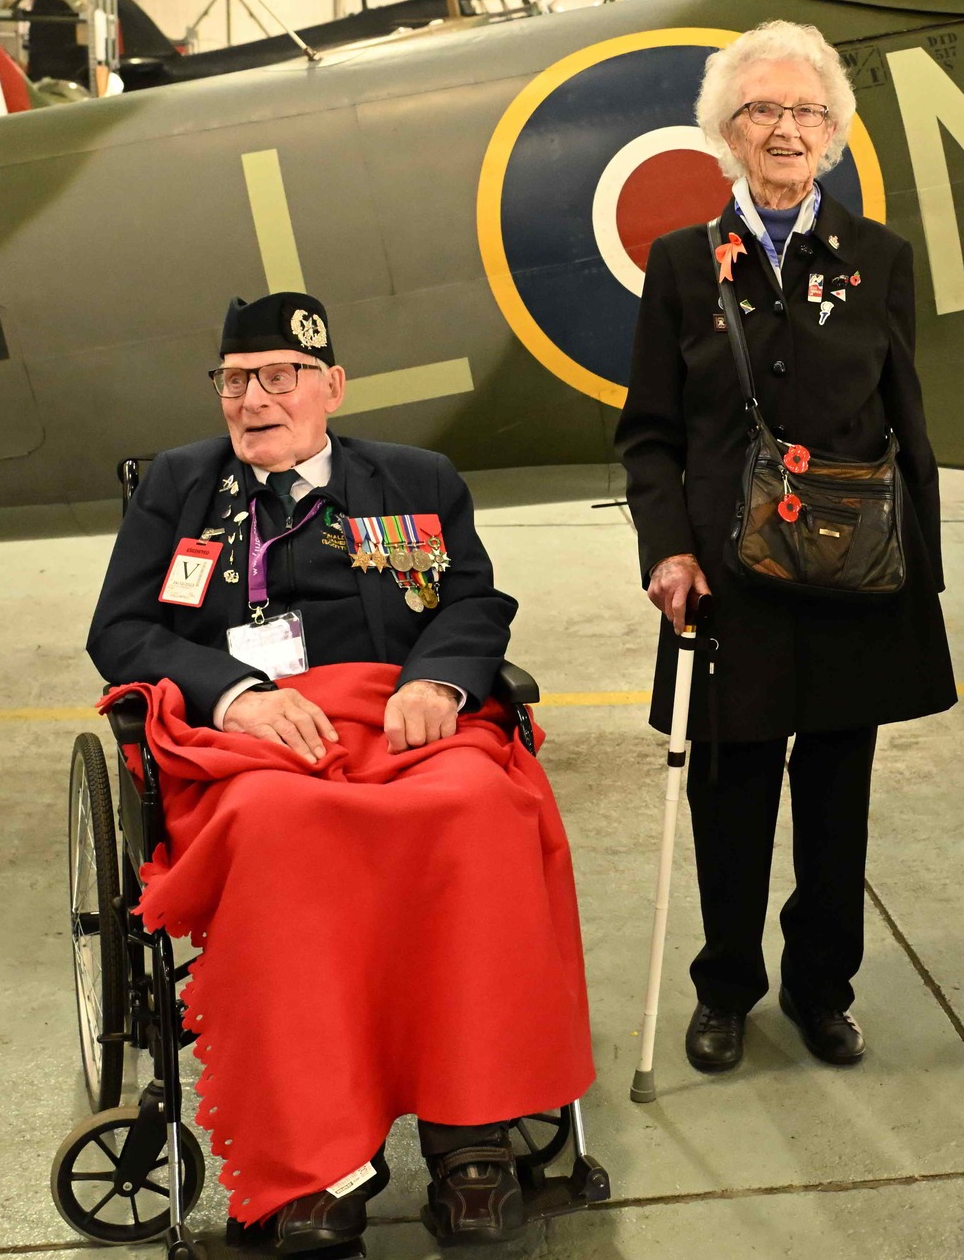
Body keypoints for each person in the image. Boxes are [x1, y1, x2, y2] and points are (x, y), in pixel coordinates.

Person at [87, 291, 593, 1255]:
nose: (253, 400)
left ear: (331, 386)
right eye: (235, 381)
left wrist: (440, 680)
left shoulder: (414, 479)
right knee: (280, 828)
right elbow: (120, 632)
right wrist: (234, 692)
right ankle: (320, 1159)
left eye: (279, 377)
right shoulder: (179, 486)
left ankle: (470, 1141)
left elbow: (474, 601)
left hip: (401, 724)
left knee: (477, 804)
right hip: (257, 743)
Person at [615, 20, 957, 1076]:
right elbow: (650, 432)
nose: (785, 129)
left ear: (835, 135)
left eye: (806, 111)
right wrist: (668, 550)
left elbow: (908, 419)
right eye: (762, 110)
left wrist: (917, 578)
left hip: (852, 576)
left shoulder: (880, 260)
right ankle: (725, 987)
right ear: (726, 130)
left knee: (836, 803)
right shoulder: (681, 264)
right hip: (729, 580)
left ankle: (823, 990)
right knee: (732, 796)